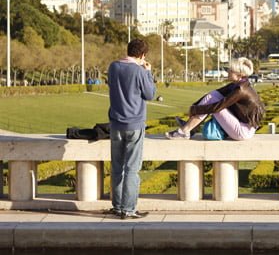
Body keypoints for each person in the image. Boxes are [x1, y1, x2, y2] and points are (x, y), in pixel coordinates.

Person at [107, 38, 156, 219]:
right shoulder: (139, 71)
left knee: (117, 167)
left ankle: (118, 206)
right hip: (134, 124)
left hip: (116, 123)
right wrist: (148, 72)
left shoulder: (113, 67)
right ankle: (128, 209)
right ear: (143, 55)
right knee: (132, 169)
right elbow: (150, 94)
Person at [165, 57, 265, 140]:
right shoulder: (237, 84)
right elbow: (211, 96)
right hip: (241, 125)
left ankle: (185, 131)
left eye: (231, 70)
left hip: (243, 131)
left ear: (240, 74)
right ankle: (189, 128)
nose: (228, 72)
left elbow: (217, 107)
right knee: (213, 95)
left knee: (214, 102)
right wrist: (194, 107)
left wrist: (194, 110)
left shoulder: (241, 90)